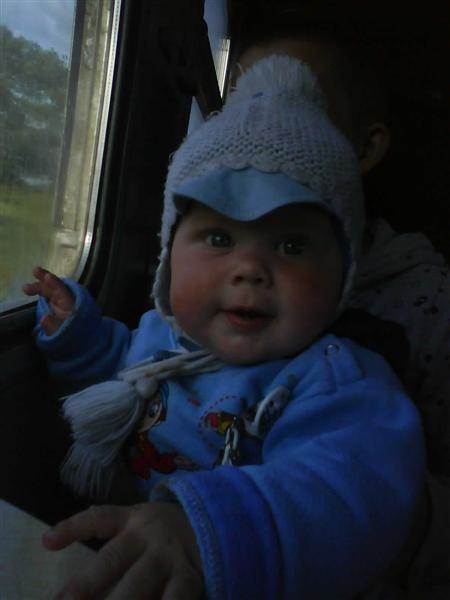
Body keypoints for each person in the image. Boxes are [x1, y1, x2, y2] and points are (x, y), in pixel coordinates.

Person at [23, 55, 425, 599]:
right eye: (218, 239)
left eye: (292, 245)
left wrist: (204, 532)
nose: (250, 268)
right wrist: (79, 336)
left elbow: (353, 491)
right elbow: (126, 367)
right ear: (169, 256)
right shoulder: (161, 334)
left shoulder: (338, 382)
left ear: (343, 275)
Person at [232, 16, 450, 597]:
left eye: (296, 106)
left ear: (365, 146)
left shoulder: (427, 306)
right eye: (241, 108)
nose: (260, 129)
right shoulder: (212, 268)